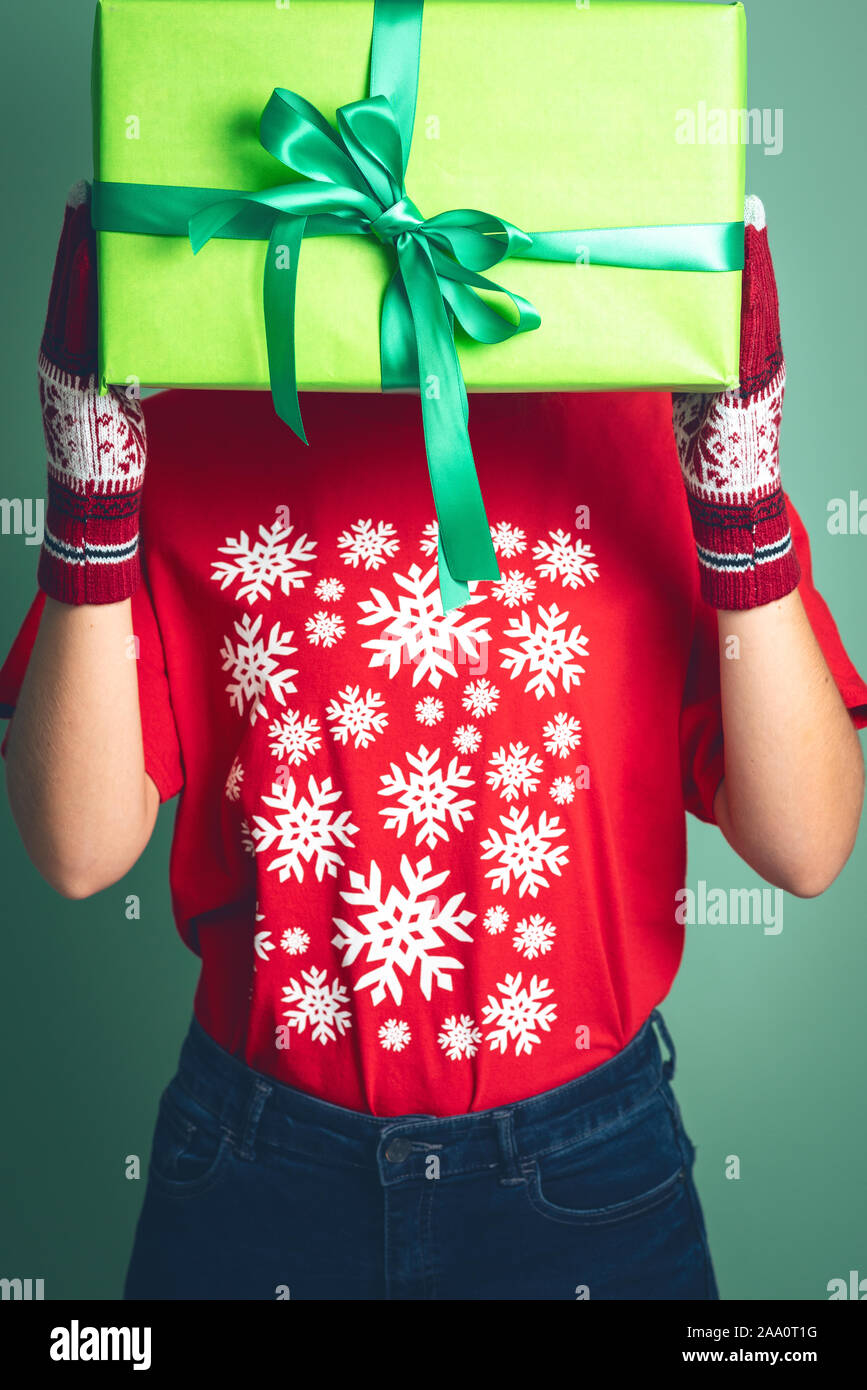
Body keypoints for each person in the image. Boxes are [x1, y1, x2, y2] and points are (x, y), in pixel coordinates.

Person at [1, 181, 865, 1302]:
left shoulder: (664, 428)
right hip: (258, 1171)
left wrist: (741, 510)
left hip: (586, 1173)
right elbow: (76, 851)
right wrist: (88, 510)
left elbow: (807, 845)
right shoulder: (183, 427)